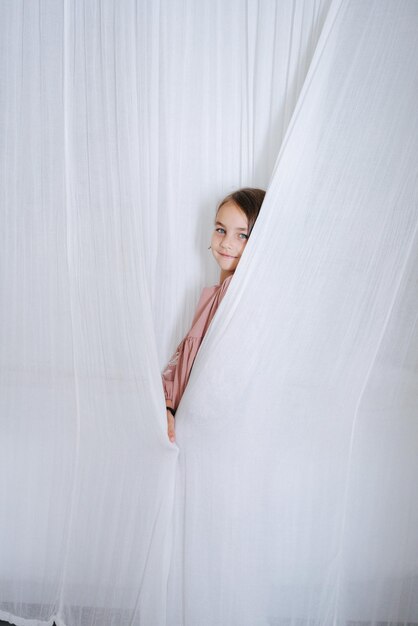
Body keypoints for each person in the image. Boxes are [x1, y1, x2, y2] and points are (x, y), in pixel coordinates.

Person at [162, 187, 266, 442]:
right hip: (179, 418)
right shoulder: (214, 295)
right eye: (221, 230)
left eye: (242, 235)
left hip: (207, 430)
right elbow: (183, 362)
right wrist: (167, 407)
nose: (227, 242)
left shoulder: (237, 295)